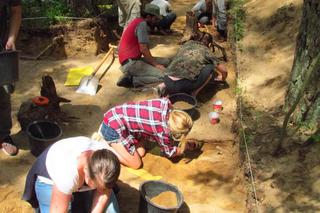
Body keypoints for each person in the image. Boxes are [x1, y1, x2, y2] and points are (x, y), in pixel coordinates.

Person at [22, 136, 121, 213]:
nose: (100, 190)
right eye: (97, 186)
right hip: (49, 178)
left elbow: (103, 193)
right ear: (86, 170)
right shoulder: (67, 174)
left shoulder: (108, 163)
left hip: (80, 178)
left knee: (111, 211)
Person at [99, 98, 196, 169]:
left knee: (141, 152)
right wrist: (183, 149)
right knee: (136, 164)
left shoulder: (165, 103)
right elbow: (169, 153)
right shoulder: (162, 131)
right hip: (112, 128)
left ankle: (119, 146)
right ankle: (106, 147)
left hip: (119, 118)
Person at [157, 31, 228, 97]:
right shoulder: (207, 51)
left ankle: (163, 85)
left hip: (167, 79)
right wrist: (223, 78)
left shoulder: (187, 44)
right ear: (209, 44)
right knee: (210, 67)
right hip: (181, 86)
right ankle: (194, 93)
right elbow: (224, 71)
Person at [116, 3, 170, 88]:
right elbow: (144, 49)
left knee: (167, 62)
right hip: (131, 64)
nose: (157, 21)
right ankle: (132, 81)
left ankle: (134, 75)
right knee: (165, 77)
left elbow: (145, 48)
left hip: (134, 60)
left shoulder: (139, 21)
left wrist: (154, 63)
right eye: (155, 19)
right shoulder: (142, 24)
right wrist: (156, 65)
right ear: (148, 16)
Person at [0, 0, 21, 156]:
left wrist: (12, 38)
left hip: (1, 47)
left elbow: (16, 11)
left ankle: (3, 135)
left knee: (3, 93)